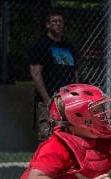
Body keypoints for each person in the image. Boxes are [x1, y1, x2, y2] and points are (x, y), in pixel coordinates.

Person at [29, 12, 78, 142]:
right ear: (47, 25)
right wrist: (46, 98)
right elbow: (35, 72)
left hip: (67, 99)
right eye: (54, 21)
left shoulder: (68, 46)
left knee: (68, 134)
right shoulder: (41, 45)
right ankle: (44, 162)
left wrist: (76, 96)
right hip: (50, 97)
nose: (58, 24)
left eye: (60, 21)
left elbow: (74, 72)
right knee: (47, 134)